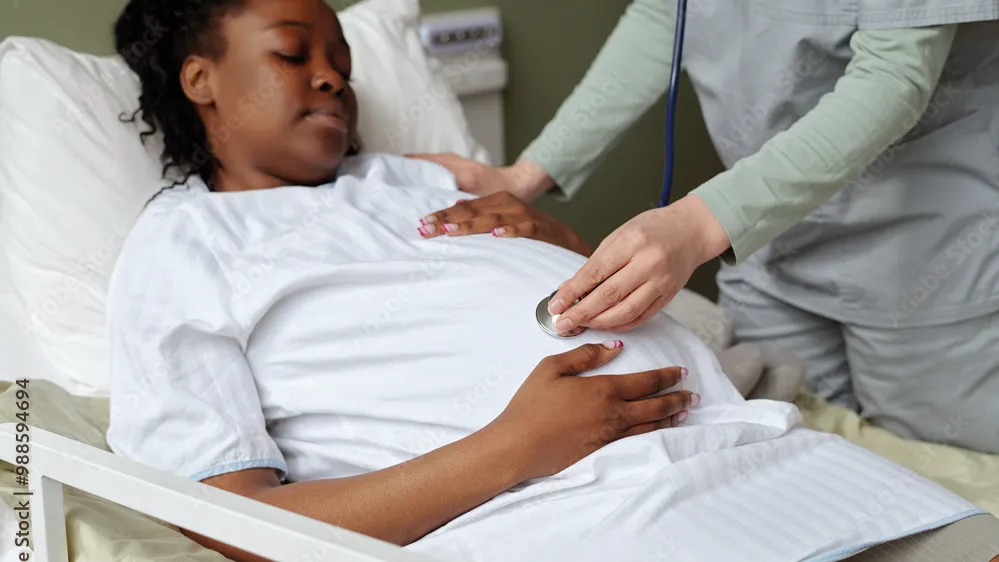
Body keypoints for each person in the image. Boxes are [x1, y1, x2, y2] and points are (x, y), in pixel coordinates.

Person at [104, 0, 999, 561]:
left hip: (760, 451)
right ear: (200, 80)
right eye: (293, 54)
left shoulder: (415, 182)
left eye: (340, 53)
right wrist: (513, 447)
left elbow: (545, 296)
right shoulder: (180, 244)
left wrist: (552, 231)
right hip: (579, 511)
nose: (334, 74)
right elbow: (231, 520)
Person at [412, 0, 999, 455]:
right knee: (792, 463)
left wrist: (699, 223)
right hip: (767, 244)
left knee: (951, 484)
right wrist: (524, 176)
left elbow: (893, 76)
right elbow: (664, 17)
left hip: (925, 251)